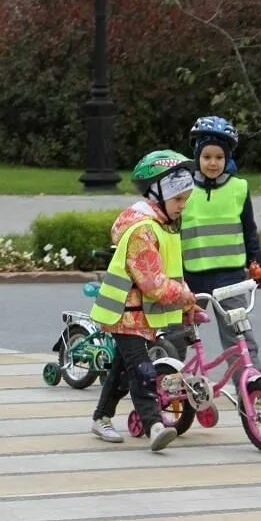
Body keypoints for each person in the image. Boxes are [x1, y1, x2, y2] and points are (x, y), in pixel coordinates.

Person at [88, 150, 199, 453]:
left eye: (185, 200)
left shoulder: (164, 227)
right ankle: (154, 426)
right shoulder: (143, 231)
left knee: (123, 370)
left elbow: (172, 274)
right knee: (142, 369)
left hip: (141, 314)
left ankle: (101, 417)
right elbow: (153, 283)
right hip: (124, 313)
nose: (182, 206)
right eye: (178, 200)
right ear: (159, 194)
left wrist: (188, 303)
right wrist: (185, 297)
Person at [181, 116, 261, 383]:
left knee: (239, 335)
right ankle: (162, 381)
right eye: (207, 156)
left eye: (219, 156)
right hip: (191, 276)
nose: (213, 163)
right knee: (177, 333)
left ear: (227, 158)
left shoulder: (238, 188)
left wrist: (256, 263)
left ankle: (251, 386)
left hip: (231, 278)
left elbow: (249, 230)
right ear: (197, 156)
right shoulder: (183, 189)